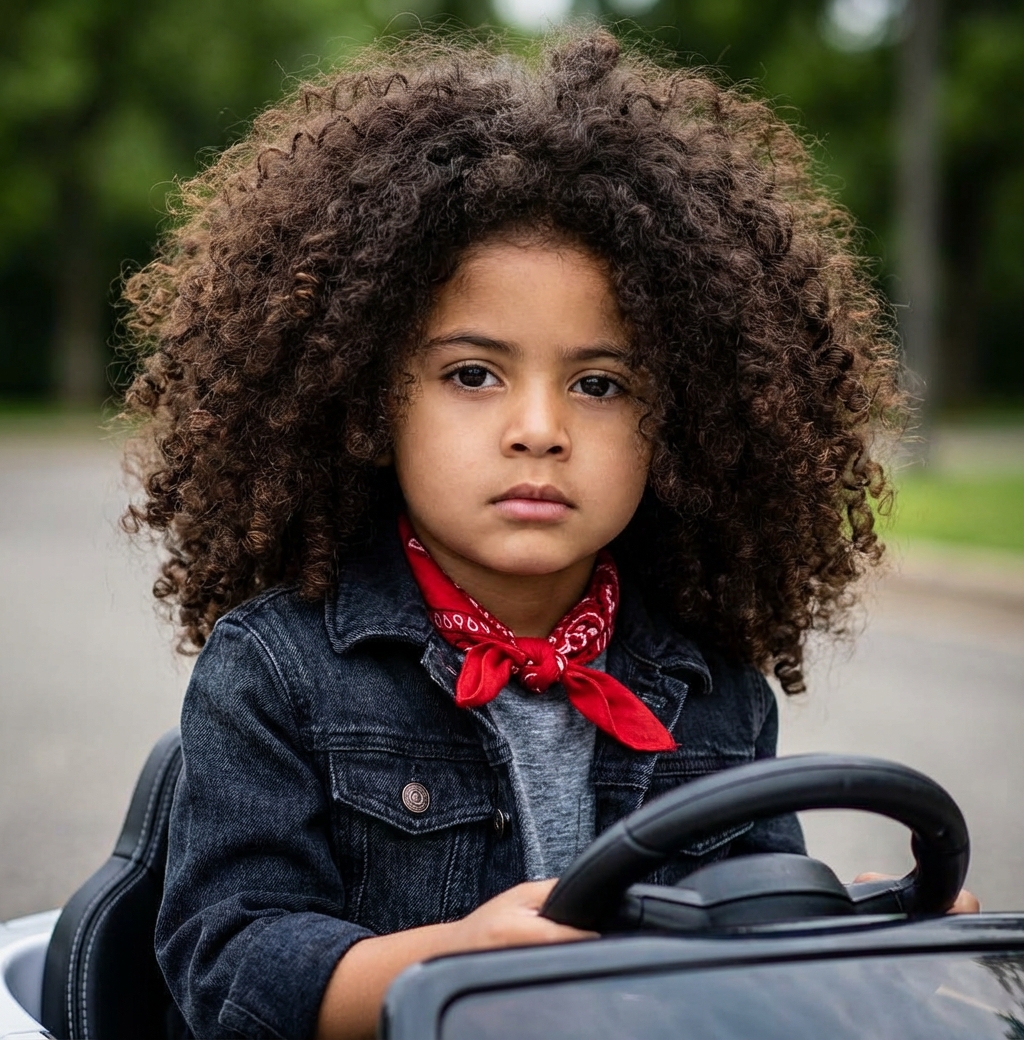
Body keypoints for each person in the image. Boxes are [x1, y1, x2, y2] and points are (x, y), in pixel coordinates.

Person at [120, 27, 974, 1040]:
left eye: (599, 383)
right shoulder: (275, 671)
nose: (539, 428)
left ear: (687, 423)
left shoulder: (713, 687)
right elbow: (227, 969)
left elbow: (742, 973)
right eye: (472, 372)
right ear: (364, 396)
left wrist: (845, 944)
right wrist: (449, 958)